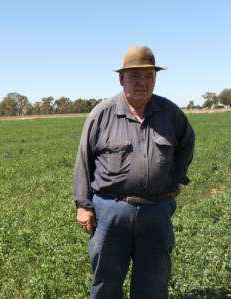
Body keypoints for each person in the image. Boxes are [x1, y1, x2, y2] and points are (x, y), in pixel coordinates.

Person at [73, 45, 195, 299]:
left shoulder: (169, 113)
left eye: (149, 76)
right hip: (110, 212)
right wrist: (83, 205)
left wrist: (177, 177)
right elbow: (83, 160)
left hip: (156, 211)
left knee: (153, 281)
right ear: (122, 78)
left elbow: (186, 143)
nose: (143, 83)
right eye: (135, 76)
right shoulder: (102, 114)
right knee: (106, 280)